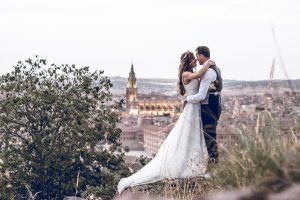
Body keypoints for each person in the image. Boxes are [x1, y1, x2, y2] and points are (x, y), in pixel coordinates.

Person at [117, 51, 215, 194]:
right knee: (188, 136)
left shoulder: (190, 73)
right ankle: (187, 167)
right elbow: (199, 75)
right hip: (192, 107)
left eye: (196, 59)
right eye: (193, 59)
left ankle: (196, 165)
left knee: (193, 137)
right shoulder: (186, 74)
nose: (195, 61)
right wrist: (207, 63)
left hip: (195, 108)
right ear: (188, 61)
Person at [186, 46, 222, 163]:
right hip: (215, 105)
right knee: (210, 136)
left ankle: (213, 163)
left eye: (197, 56)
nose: (197, 59)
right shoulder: (215, 68)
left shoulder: (208, 72)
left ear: (201, 55)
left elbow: (201, 95)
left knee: (209, 138)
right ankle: (212, 162)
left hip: (208, 108)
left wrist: (187, 99)